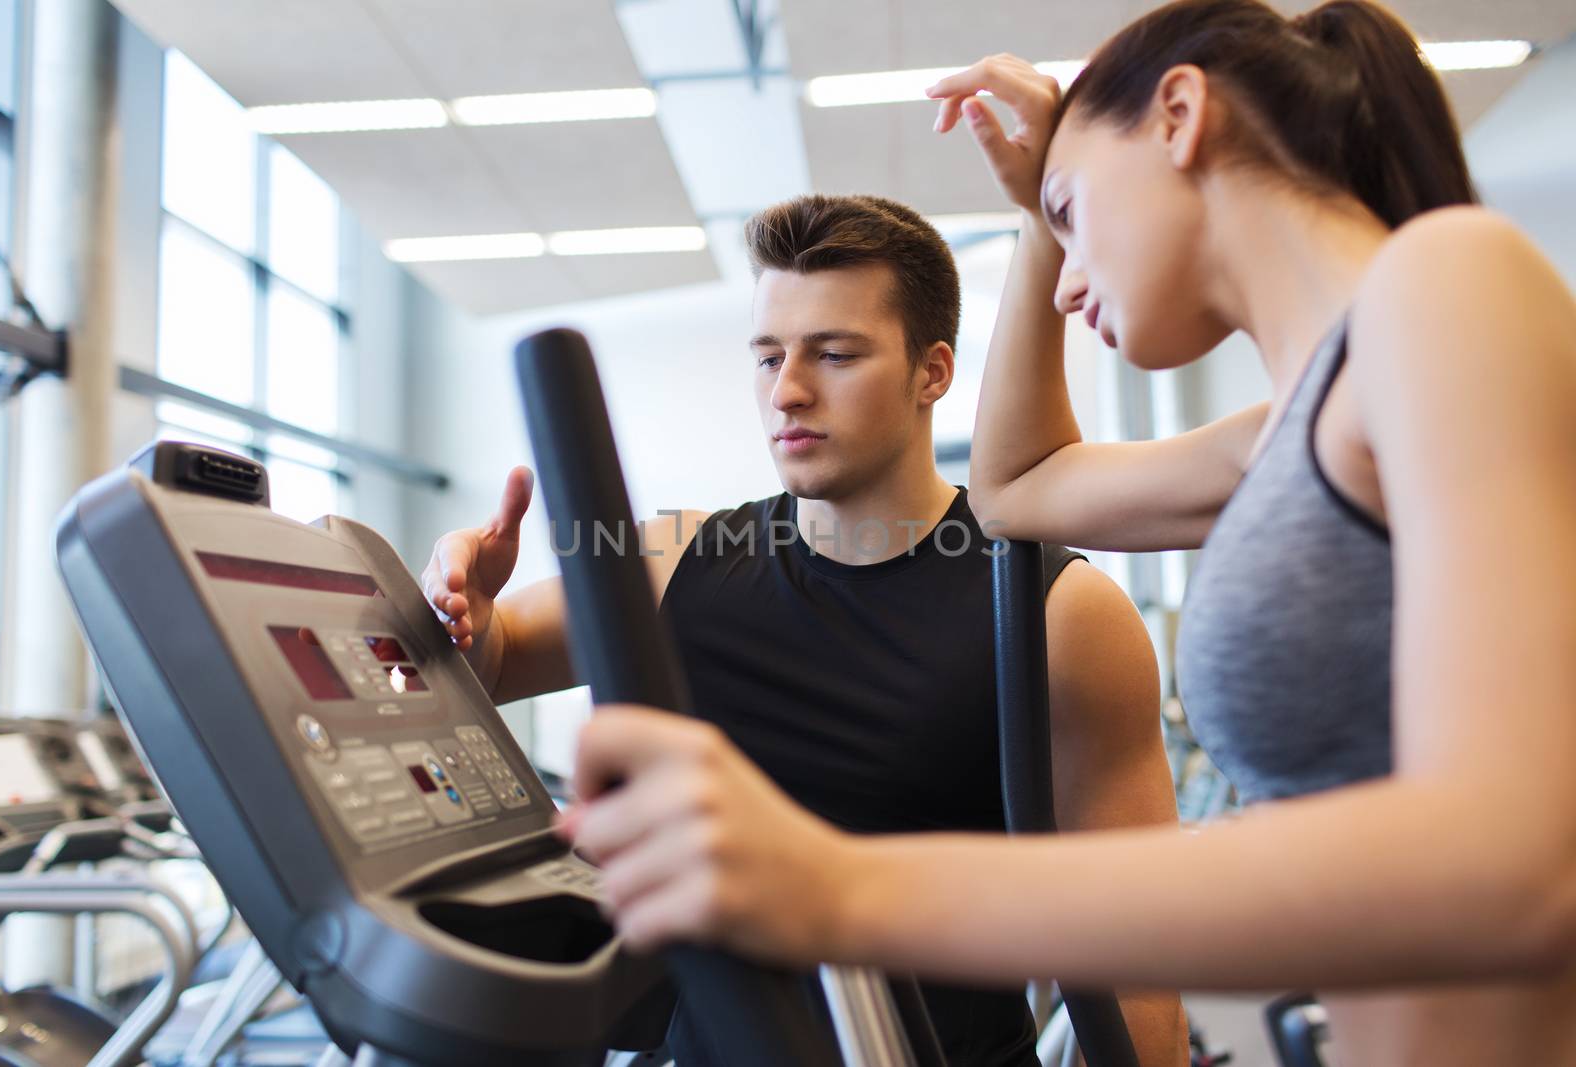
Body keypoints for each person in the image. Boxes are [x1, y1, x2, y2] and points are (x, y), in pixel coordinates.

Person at [559, 1, 1576, 1064]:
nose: (1073, 273)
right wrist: (1042, 215)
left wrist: (842, 883)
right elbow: (1017, 488)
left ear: (1178, 115)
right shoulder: (1288, 430)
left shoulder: (1446, 276)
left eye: (1071, 213)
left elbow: (1515, 863)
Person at [422, 195, 1187, 1065]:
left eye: (834, 353)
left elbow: (1136, 958)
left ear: (931, 372)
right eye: (768, 356)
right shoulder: (678, 560)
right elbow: (493, 658)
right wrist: (463, 610)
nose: (788, 390)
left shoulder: (1060, 612)